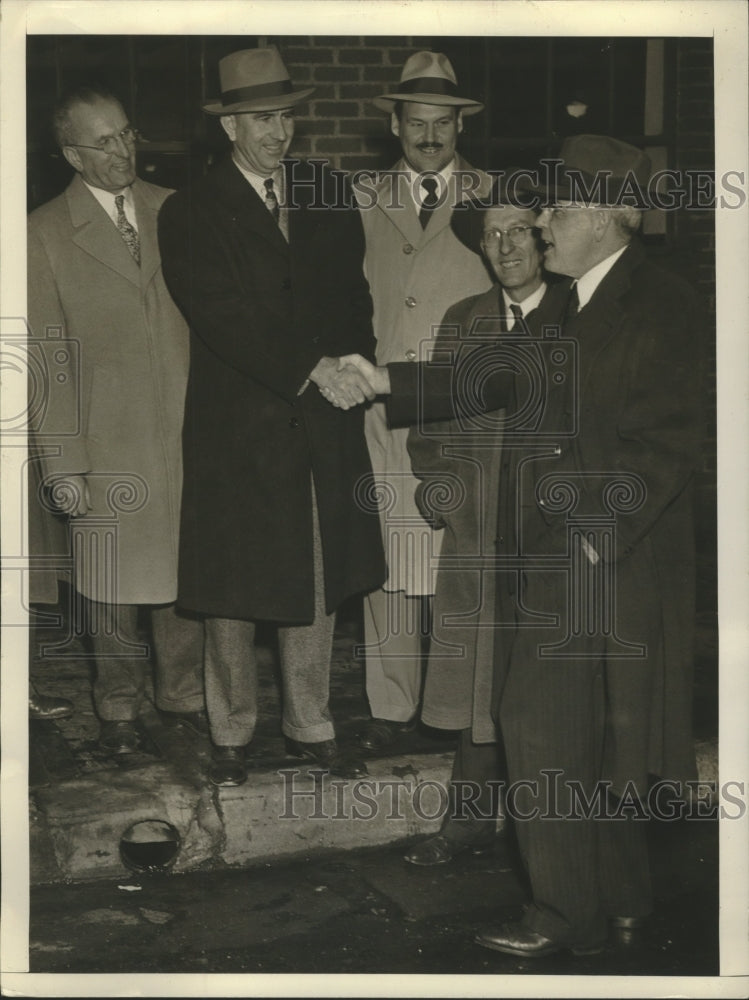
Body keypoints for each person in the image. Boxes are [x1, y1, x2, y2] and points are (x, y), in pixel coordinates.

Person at [330, 136, 705, 956]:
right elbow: (497, 379)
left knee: (566, 730)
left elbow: (673, 439)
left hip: (609, 558)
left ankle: (570, 914)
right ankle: (614, 905)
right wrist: (386, 377)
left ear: (607, 219)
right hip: (562, 556)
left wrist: (593, 539)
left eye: (557, 210)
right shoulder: (571, 302)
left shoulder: (663, 302)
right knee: (576, 732)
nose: (539, 223)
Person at [157, 47, 386, 787]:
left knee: (314, 576)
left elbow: (353, 296)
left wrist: (354, 363)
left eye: (286, 117)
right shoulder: (192, 210)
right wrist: (310, 368)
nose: (277, 133)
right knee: (234, 592)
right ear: (229, 127)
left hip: (321, 419)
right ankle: (230, 730)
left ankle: (309, 721)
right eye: (261, 119)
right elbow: (224, 319)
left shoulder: (325, 190)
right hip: (241, 430)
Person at [27, 84, 206, 755]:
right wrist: (64, 463)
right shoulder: (41, 232)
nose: (121, 150)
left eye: (126, 134)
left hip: (187, 430)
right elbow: (44, 357)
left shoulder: (177, 210)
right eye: (102, 142)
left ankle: (182, 699)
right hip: (104, 441)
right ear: (72, 155)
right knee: (110, 584)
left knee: (185, 578)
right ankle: (121, 710)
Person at [401, 177, 570, 865]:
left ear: (541, 235)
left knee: (545, 685)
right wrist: (440, 486)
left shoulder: (573, 315)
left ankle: (549, 834)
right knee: (475, 681)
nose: (504, 246)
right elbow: (427, 425)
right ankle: (467, 822)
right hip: (477, 539)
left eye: (517, 230)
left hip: (547, 542)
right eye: (491, 235)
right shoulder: (463, 320)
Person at [353, 50, 494, 753]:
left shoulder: (497, 198)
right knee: (388, 560)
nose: (430, 138)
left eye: (443, 124)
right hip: (380, 408)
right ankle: (390, 708)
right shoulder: (358, 197)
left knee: (456, 559)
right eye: (417, 124)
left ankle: (458, 708)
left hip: (460, 409)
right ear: (395, 124)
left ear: (459, 123)